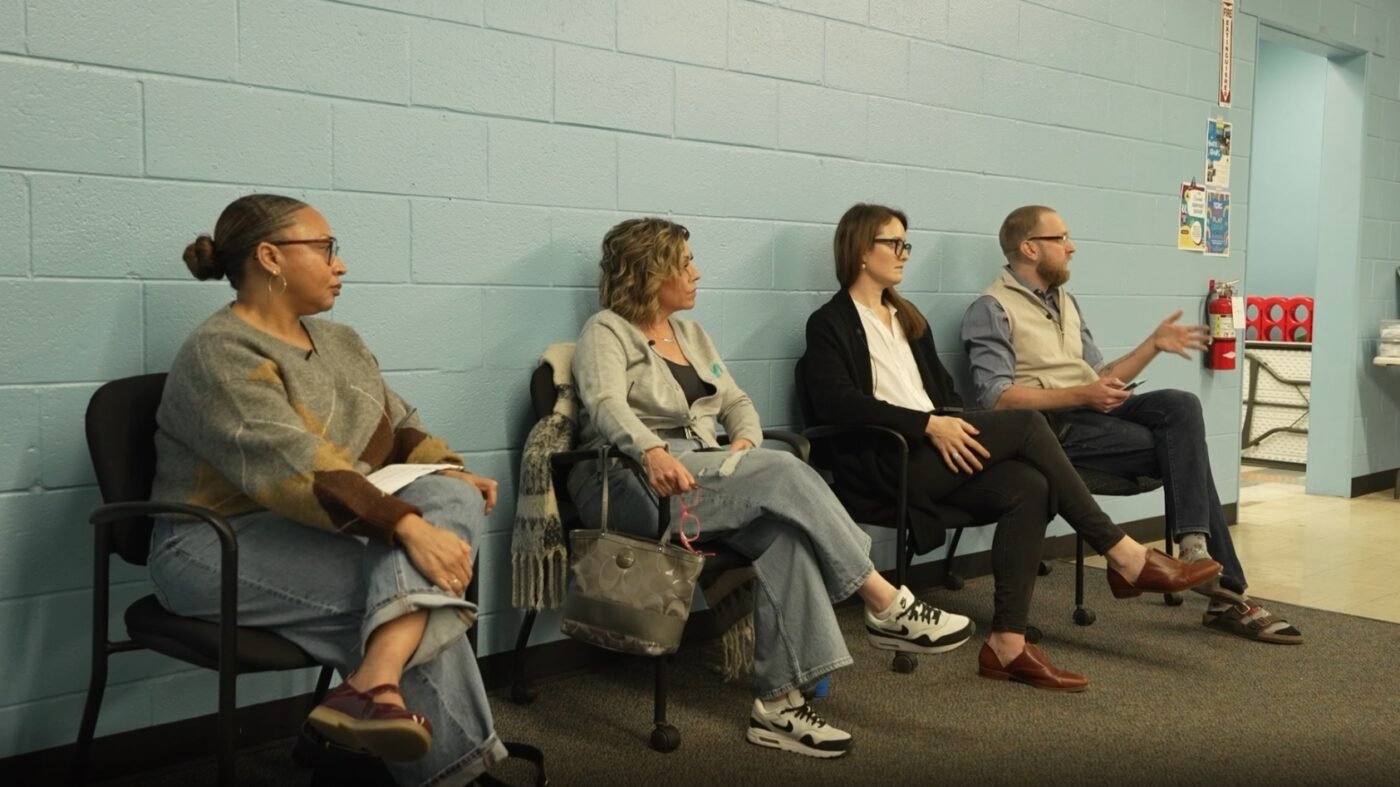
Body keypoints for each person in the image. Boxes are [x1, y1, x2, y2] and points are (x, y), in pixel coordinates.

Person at [570, 217, 975, 759]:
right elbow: (605, 404)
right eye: (685, 263)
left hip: (706, 471)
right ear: (649, 272)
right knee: (783, 471)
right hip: (638, 483)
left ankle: (779, 707)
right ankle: (882, 600)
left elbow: (736, 400)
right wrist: (650, 450)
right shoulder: (606, 331)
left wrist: (745, 440)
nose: (696, 272)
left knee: (786, 537)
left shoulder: (690, 335)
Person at [148, 194, 510, 786]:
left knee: (451, 502)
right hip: (210, 544)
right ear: (270, 257)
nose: (339, 264)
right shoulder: (219, 352)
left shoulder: (341, 341)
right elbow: (295, 469)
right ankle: (449, 769)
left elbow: (399, 428)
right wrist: (405, 525)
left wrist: (447, 470)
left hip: (309, 526)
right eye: (325, 248)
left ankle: (371, 692)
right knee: (397, 592)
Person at [801, 203, 1225, 691]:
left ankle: (1007, 644)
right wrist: (928, 426)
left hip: (935, 453)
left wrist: (950, 423)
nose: (903, 253)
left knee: (1031, 484)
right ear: (860, 251)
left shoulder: (908, 319)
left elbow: (945, 394)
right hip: (889, 460)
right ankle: (1123, 555)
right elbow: (837, 403)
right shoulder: (830, 322)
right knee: (1025, 423)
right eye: (893, 243)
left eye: (905, 244)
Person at [960, 204, 1303, 645]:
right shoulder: (991, 308)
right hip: (1049, 428)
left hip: (1092, 411)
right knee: (1184, 454)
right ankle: (1227, 596)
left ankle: (1194, 549)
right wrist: (1083, 395)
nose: (1071, 246)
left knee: (1180, 406)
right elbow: (998, 398)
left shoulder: (1064, 302)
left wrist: (1153, 345)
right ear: (1029, 248)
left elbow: (1102, 377)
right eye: (1060, 238)